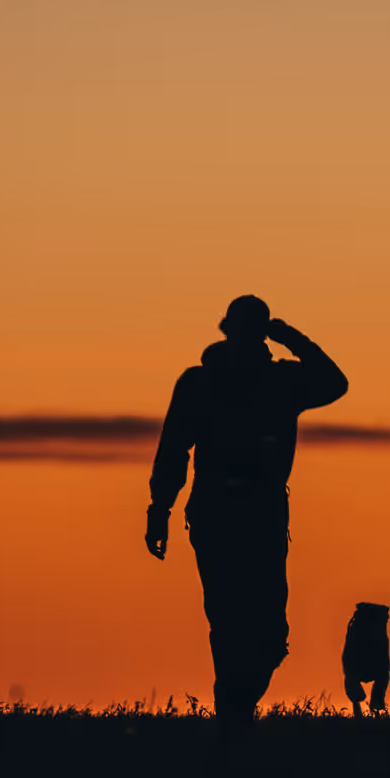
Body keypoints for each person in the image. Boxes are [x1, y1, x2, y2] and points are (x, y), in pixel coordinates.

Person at [145, 296, 349, 722]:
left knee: (268, 633)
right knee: (227, 620)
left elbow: (335, 383)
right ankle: (232, 717)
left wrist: (291, 338)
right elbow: (174, 448)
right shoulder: (199, 383)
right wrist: (159, 509)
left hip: (262, 513)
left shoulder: (283, 382)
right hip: (218, 512)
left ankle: (235, 707)